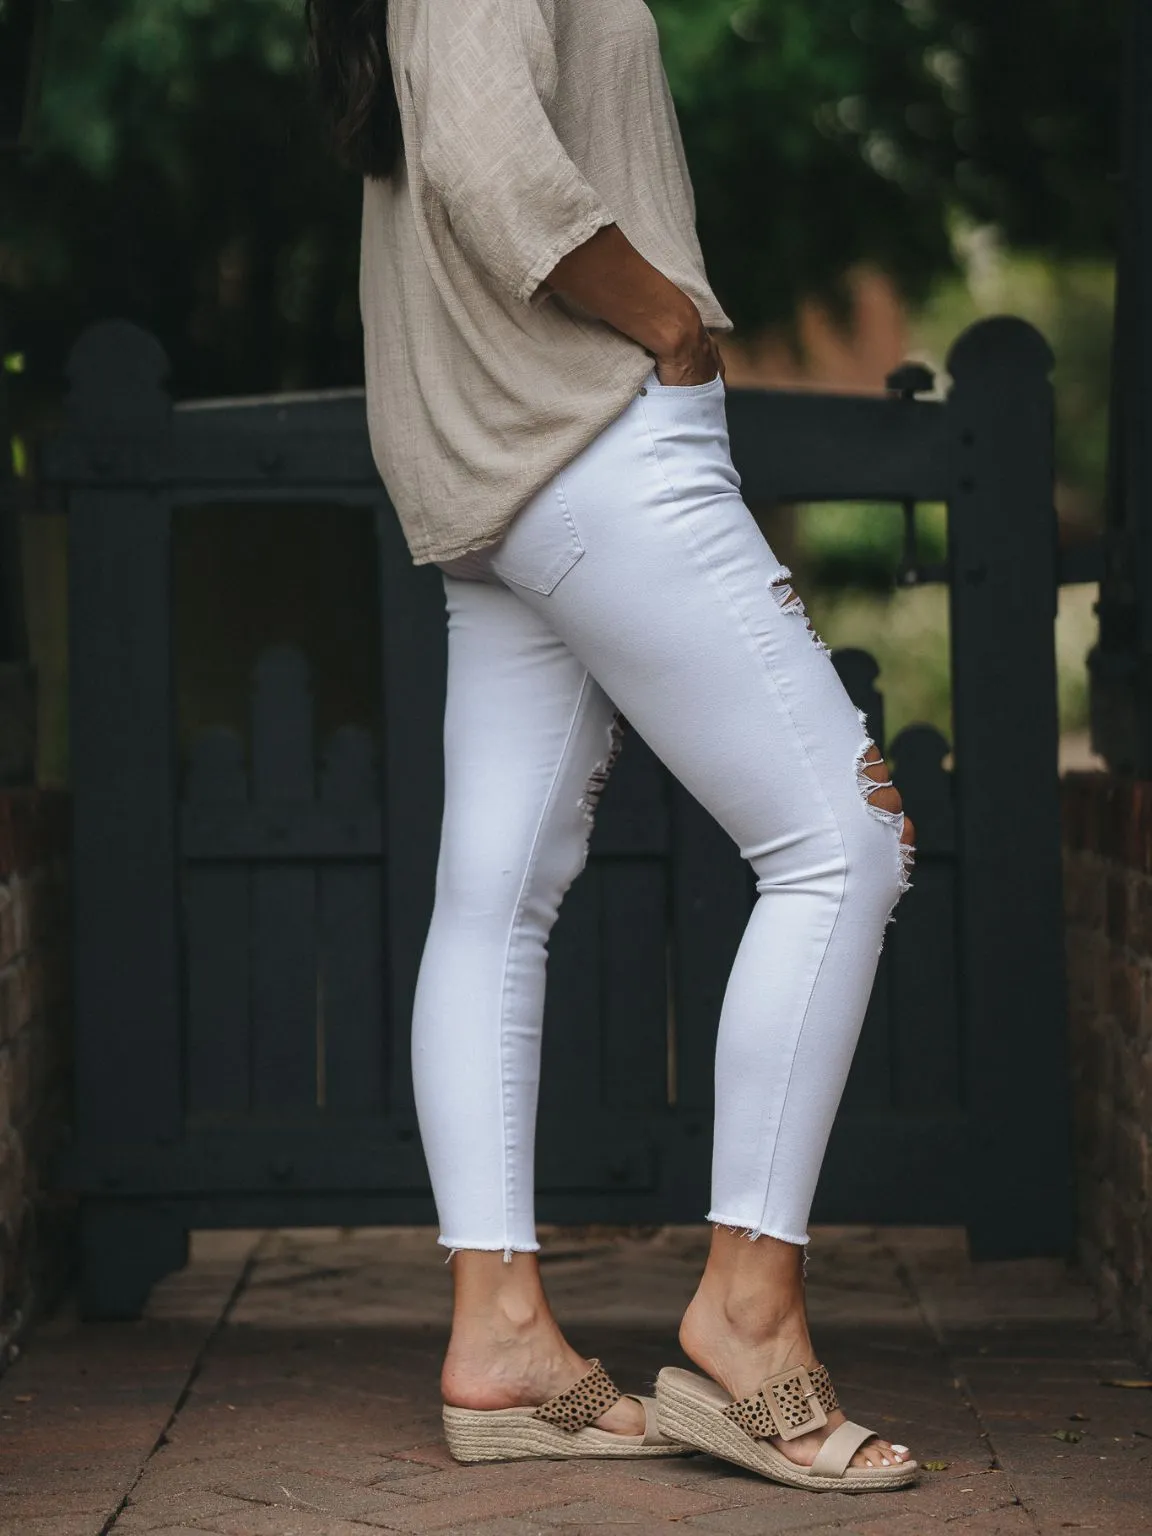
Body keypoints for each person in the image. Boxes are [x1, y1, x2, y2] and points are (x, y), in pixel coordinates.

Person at [308, 0, 917, 1493]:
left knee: (495, 900)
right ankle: (746, 1320)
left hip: (509, 467)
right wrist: (670, 322)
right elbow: (489, 157)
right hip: (589, 439)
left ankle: (500, 1336)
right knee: (845, 844)